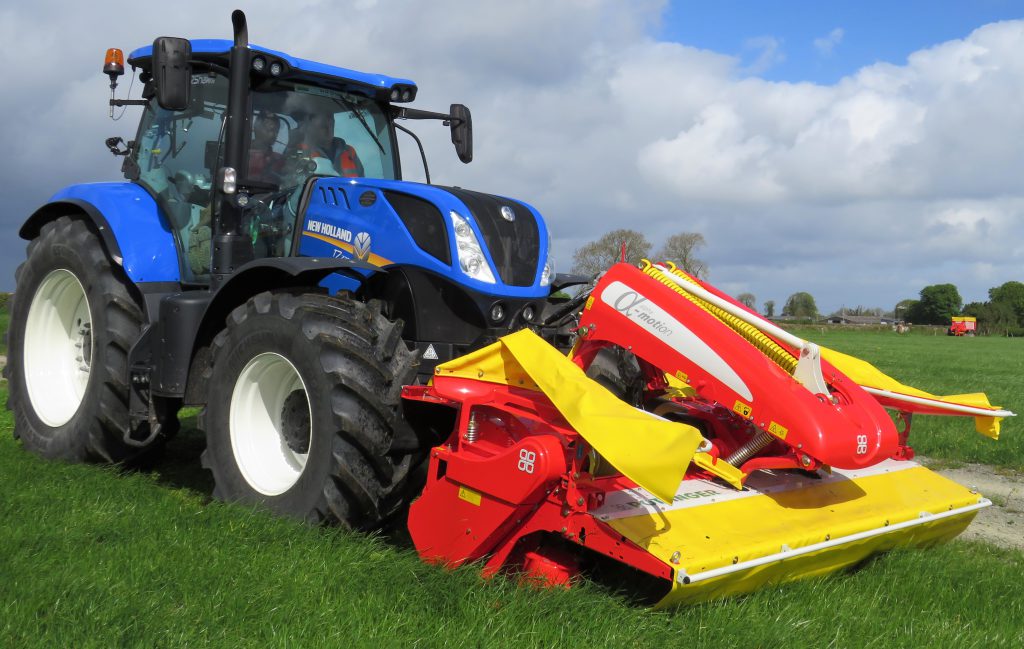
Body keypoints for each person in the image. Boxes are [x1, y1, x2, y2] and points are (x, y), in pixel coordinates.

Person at [297, 111, 364, 177]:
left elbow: (362, 181)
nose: (329, 130)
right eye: (323, 126)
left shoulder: (349, 151)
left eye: (331, 125)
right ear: (312, 127)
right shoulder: (300, 152)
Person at [248, 112, 285, 183]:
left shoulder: (280, 159)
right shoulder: (240, 153)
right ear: (256, 128)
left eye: (276, 131)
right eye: (270, 130)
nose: (274, 135)